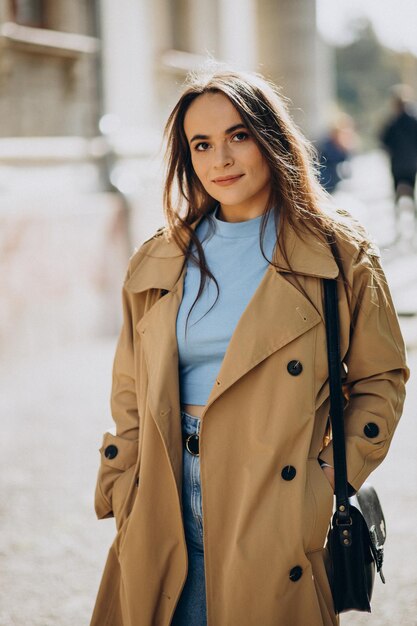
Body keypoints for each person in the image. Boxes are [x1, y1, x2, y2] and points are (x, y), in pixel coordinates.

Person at [90, 66, 409, 626]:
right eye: (202, 145)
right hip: (163, 494)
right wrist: (125, 481)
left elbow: (380, 377)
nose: (222, 160)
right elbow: (130, 389)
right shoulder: (158, 259)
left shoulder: (337, 253)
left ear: (270, 137)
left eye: (239, 135)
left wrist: (329, 478)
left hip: (274, 491)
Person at [380, 85, 417, 238]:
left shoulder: (392, 122)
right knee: (412, 194)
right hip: (412, 164)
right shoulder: (414, 120)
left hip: (397, 164)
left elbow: (383, 141)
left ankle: (399, 226)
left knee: (397, 194)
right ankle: (413, 224)